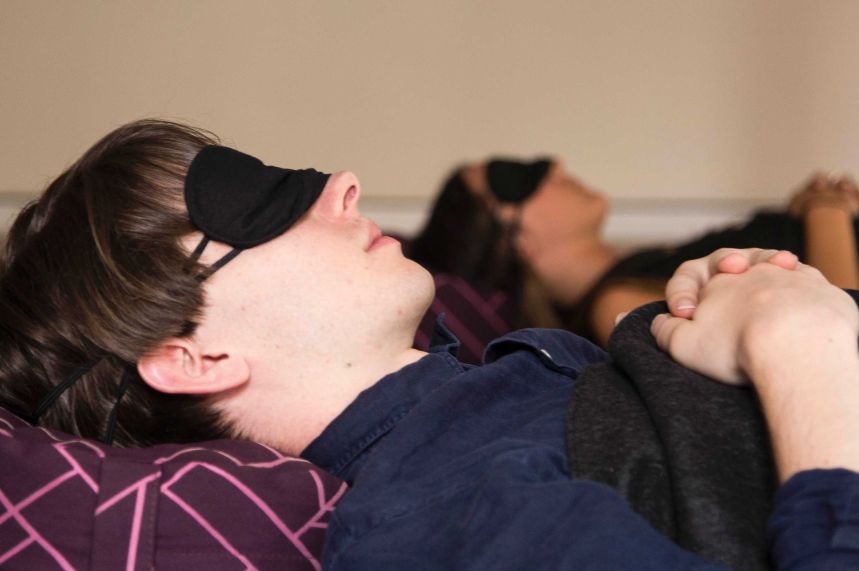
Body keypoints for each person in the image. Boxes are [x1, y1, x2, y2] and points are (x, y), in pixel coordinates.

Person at [1, 119, 857, 569]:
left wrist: (704, 327)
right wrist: (803, 356)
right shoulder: (429, 518)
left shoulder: (514, 381)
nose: (340, 185)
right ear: (193, 356)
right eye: (256, 205)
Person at [407, 158, 859, 357]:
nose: (557, 167)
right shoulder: (616, 308)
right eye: (521, 176)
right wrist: (827, 212)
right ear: (513, 238)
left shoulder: (657, 262)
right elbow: (832, 334)